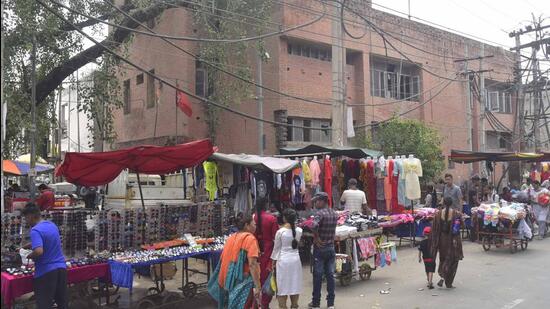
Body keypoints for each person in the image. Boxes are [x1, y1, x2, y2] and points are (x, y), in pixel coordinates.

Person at [21, 203, 67, 309]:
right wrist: (29, 245)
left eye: (26, 218)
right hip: (61, 268)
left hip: (46, 272)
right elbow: (47, 240)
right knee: (62, 302)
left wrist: (29, 256)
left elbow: (38, 251)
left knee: (44, 304)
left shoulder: (35, 230)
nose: (26, 221)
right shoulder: (51, 225)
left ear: (30, 216)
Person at [211, 214, 261, 309]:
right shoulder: (250, 239)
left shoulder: (232, 237)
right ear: (247, 225)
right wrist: (258, 286)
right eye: (254, 224)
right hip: (242, 280)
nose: (255, 226)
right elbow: (252, 264)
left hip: (228, 279)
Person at [308, 192, 337, 309]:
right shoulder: (334, 213)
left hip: (320, 249)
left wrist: (316, 237)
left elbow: (313, 226)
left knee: (318, 275)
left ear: (323, 201)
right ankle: (331, 303)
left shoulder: (320, 214)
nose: (315, 203)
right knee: (330, 275)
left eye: (317, 201)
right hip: (330, 247)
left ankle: (316, 302)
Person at [271, 208, 303, 309]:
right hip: (295, 261)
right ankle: (294, 306)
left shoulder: (280, 232)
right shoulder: (299, 231)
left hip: (283, 261)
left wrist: (272, 263)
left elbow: (276, 250)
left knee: (282, 286)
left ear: (285, 218)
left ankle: (283, 306)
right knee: (295, 285)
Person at [430, 197, 464, 289]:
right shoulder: (456, 214)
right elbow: (462, 225)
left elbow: (434, 229)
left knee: (443, 258)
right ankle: (448, 281)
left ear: (444, 203)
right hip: (453, 241)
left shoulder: (438, 214)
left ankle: (442, 274)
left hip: (442, 240)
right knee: (453, 260)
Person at [254, 198, 279, 308]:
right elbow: (276, 237)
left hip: (255, 251)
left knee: (256, 278)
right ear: (266, 205)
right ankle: (264, 303)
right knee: (267, 279)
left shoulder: (253, 218)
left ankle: (256, 303)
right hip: (268, 252)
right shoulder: (271, 218)